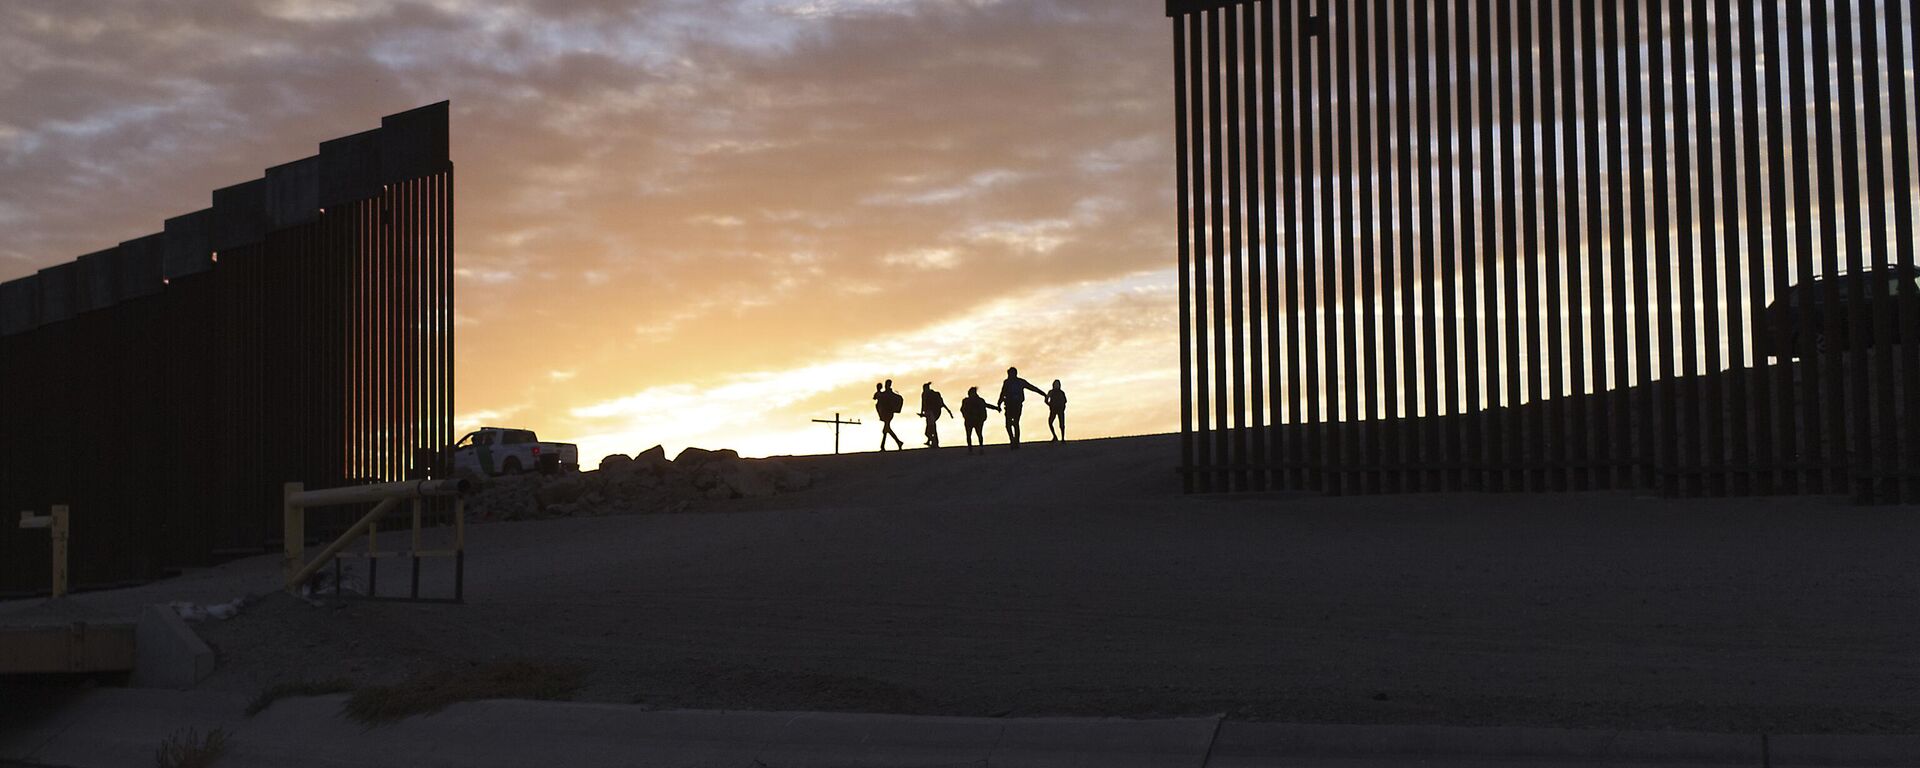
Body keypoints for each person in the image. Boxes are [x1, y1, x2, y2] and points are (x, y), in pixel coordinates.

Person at [995, 367, 1047, 449]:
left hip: (1017, 405)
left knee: (1015, 423)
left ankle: (1016, 442)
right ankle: (1013, 440)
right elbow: (1003, 393)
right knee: (1009, 424)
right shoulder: (1007, 382)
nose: (1009, 376)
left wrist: (1043, 393)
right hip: (1009, 405)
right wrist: (999, 403)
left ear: (1015, 374)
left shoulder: (1020, 382)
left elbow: (1032, 387)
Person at [959, 386, 999, 454]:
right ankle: (971, 449)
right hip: (969, 420)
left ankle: (980, 448)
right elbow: (962, 409)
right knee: (970, 435)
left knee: (978, 434)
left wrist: (996, 408)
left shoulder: (979, 400)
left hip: (977, 420)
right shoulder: (967, 401)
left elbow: (986, 405)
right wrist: (965, 416)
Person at [917, 382, 954, 448]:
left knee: (930, 430)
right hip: (935, 413)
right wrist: (949, 411)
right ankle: (933, 442)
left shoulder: (926, 394)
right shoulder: (934, 394)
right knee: (932, 428)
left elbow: (923, 404)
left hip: (930, 413)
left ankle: (933, 442)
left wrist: (922, 413)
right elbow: (942, 404)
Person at [873, 380, 905, 451]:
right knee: (886, 430)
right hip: (885, 413)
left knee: (886, 429)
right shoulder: (884, 393)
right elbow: (875, 397)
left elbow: (877, 397)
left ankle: (884, 445)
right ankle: (898, 442)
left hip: (888, 414)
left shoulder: (888, 394)